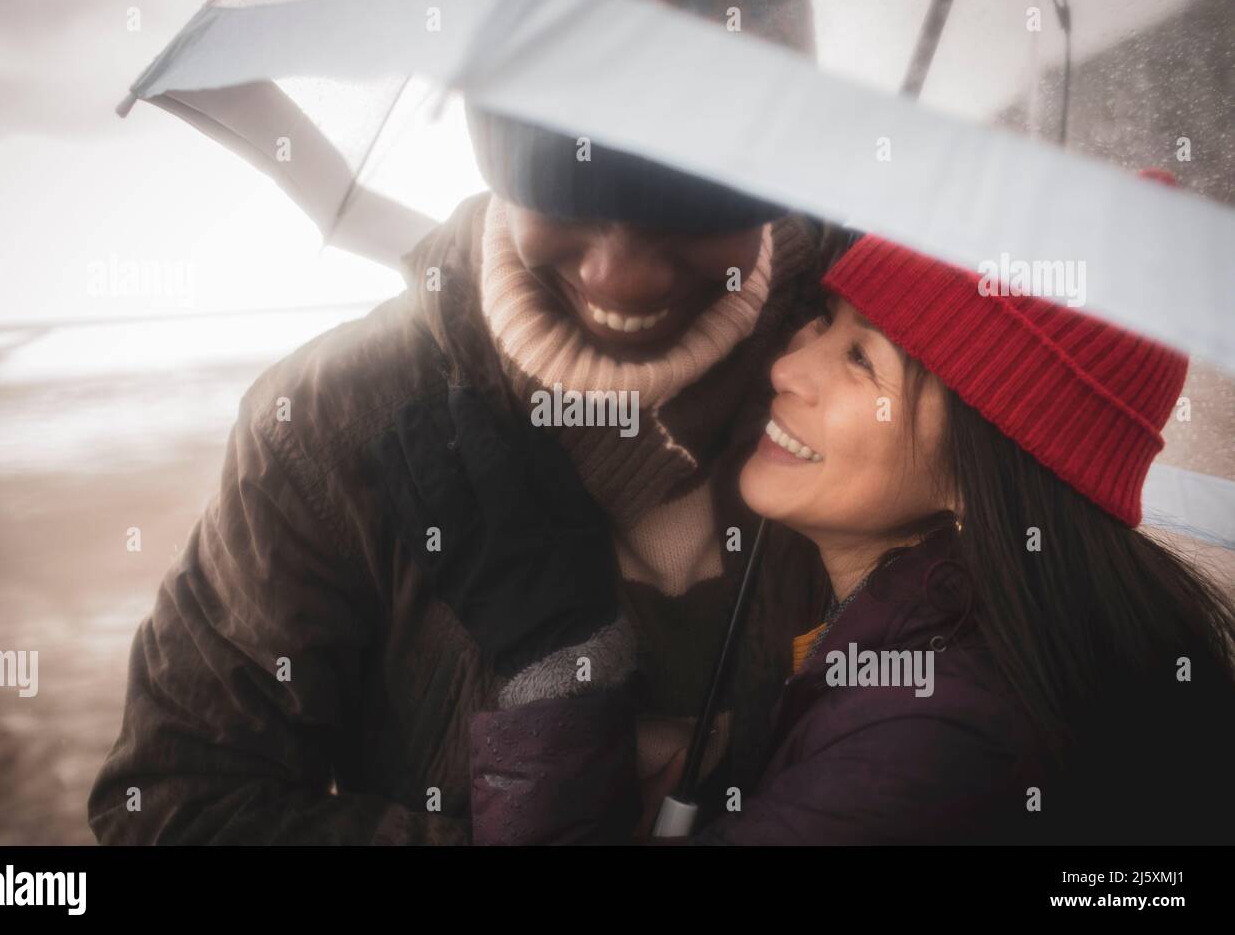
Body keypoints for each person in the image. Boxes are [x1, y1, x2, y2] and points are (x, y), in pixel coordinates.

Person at [87, 0, 847, 844]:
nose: (619, 278)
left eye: (695, 204)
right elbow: (174, 805)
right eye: (560, 187)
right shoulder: (330, 420)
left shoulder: (891, 365)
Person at [460, 232, 1235, 845]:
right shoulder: (924, 656)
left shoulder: (939, 738)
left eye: (863, 361)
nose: (789, 366)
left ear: (986, 463)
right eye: (826, 320)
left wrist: (553, 659)